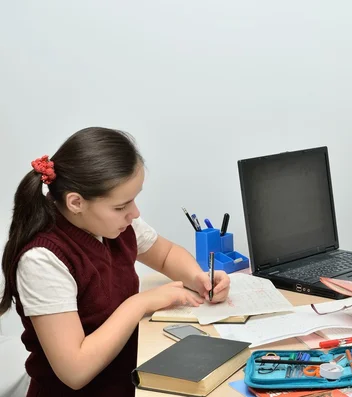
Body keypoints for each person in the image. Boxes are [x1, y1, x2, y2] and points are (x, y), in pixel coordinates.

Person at [0, 127, 231, 397]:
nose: (134, 212)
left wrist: (199, 278)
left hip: (128, 380)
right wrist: (139, 303)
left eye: (134, 199)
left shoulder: (117, 224)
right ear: (76, 202)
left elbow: (166, 254)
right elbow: (75, 371)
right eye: (122, 206)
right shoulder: (41, 260)